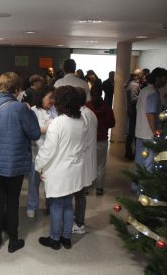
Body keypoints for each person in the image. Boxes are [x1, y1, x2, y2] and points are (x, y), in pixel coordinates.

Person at [0, 72, 41, 253]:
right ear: (16, 89)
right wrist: (31, 113)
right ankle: (13, 240)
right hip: (15, 163)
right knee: (13, 202)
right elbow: (35, 133)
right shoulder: (21, 109)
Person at [36, 85, 86, 250]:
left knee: (56, 205)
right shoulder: (81, 121)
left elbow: (48, 150)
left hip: (58, 171)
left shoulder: (58, 123)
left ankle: (54, 239)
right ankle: (66, 237)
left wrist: (39, 166)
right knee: (67, 205)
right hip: (74, 170)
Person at [133, 67, 167, 193]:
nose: (166, 81)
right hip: (149, 134)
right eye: (164, 78)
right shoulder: (152, 92)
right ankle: (143, 191)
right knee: (148, 164)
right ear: (159, 77)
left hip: (140, 132)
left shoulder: (144, 90)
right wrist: (155, 133)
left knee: (139, 161)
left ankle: (136, 187)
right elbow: (150, 114)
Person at [26, 86, 54, 218]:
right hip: (35, 153)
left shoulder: (55, 111)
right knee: (33, 182)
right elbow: (31, 131)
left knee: (50, 183)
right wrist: (48, 128)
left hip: (51, 155)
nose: (52, 101)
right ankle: (32, 206)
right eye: (50, 98)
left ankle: (50, 206)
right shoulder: (32, 111)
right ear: (41, 98)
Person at [73, 87, 97, 235]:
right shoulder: (89, 113)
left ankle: (79, 223)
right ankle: (78, 220)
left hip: (82, 160)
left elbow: (81, 141)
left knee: (79, 195)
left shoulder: (82, 115)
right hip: (86, 159)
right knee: (80, 194)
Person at [86, 86, 115, 196]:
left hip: (89, 140)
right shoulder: (107, 108)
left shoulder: (87, 107)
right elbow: (111, 123)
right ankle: (99, 188)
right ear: (101, 94)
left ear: (91, 94)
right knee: (100, 165)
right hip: (102, 140)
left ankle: (87, 187)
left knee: (88, 163)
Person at [125, 69, 144, 160]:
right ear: (138, 76)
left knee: (132, 133)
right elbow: (133, 99)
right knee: (132, 134)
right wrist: (143, 97)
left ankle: (130, 153)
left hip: (133, 111)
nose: (143, 77)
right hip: (134, 112)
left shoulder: (132, 84)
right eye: (142, 75)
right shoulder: (134, 85)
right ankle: (129, 153)